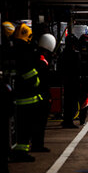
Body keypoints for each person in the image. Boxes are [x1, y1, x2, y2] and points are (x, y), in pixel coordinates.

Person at [12, 23, 39, 162]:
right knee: (25, 127)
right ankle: (21, 153)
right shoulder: (24, 51)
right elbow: (29, 73)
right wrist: (36, 81)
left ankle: (17, 151)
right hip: (26, 96)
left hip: (15, 95)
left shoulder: (11, 49)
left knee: (18, 127)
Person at [31, 33, 56, 152]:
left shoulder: (35, 56)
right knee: (40, 123)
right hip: (41, 96)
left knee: (37, 122)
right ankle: (38, 145)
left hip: (36, 95)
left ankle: (37, 144)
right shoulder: (42, 61)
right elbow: (44, 80)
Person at [60, 34, 80, 128]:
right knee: (72, 102)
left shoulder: (63, 53)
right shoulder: (74, 54)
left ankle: (66, 120)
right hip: (73, 81)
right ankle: (68, 121)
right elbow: (78, 68)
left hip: (66, 81)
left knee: (67, 101)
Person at [78, 34, 88, 125]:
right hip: (85, 77)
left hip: (80, 77)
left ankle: (81, 117)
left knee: (82, 98)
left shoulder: (77, 50)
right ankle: (82, 119)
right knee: (84, 98)